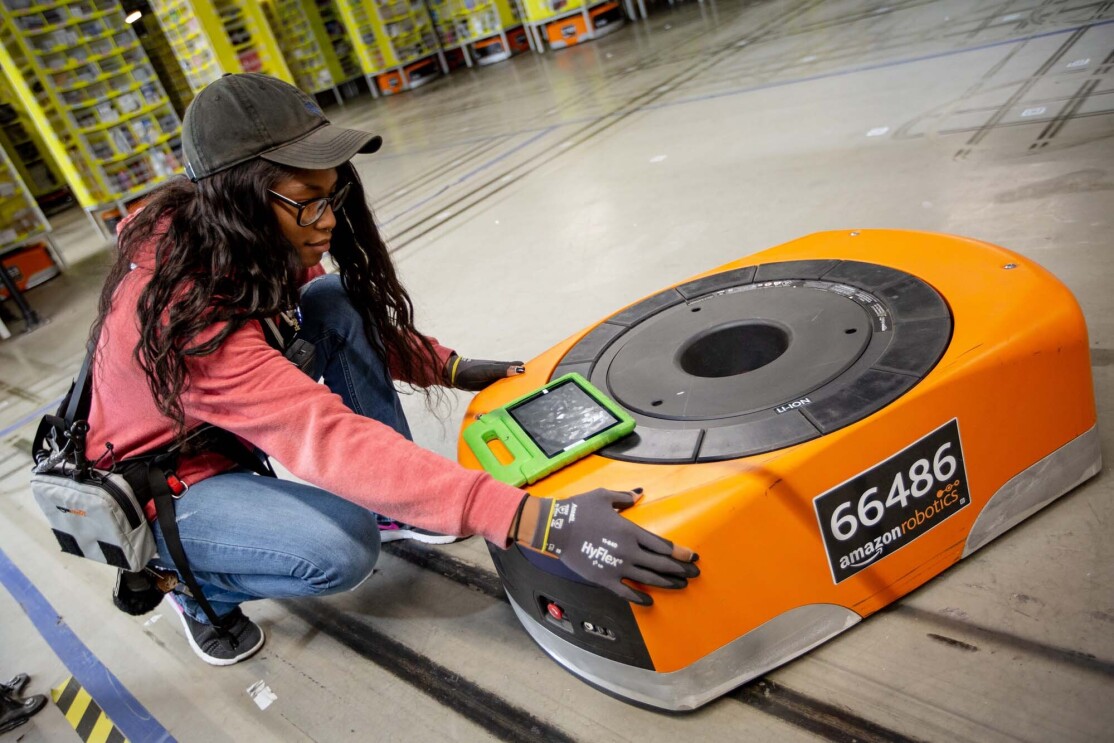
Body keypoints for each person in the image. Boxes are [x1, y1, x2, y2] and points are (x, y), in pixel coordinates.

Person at [86, 73, 699, 666]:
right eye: (306, 202)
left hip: (220, 434)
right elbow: (325, 438)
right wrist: (534, 519)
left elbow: (350, 326)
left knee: (332, 298)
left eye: (333, 194)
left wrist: (457, 369)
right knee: (341, 548)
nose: (327, 219)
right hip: (165, 487)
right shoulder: (183, 315)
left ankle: (397, 505)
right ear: (239, 200)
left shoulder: (243, 238)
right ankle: (194, 592)